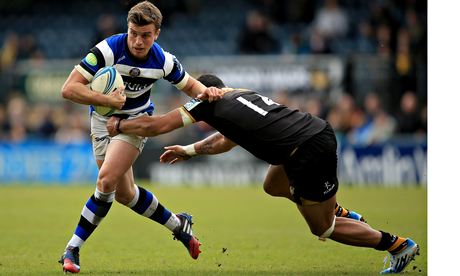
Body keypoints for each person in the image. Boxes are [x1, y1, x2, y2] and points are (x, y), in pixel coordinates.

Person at [106, 74, 420, 274]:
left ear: (203, 90)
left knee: (323, 230)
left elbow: (156, 126)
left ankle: (397, 245)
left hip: (306, 151)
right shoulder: (237, 95)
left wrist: (119, 125)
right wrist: (188, 151)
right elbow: (225, 140)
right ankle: (333, 207)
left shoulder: (205, 101)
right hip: (310, 135)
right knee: (272, 183)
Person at [59, 1, 222, 273]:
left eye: (145, 35)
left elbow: (193, 87)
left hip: (135, 124)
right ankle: (178, 225)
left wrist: (211, 94)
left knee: (106, 180)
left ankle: (72, 249)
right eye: (133, 33)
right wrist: (105, 99)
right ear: (127, 28)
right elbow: (68, 89)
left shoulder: (163, 61)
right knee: (124, 194)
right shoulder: (108, 49)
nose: (137, 41)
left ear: (157, 33)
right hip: (101, 122)